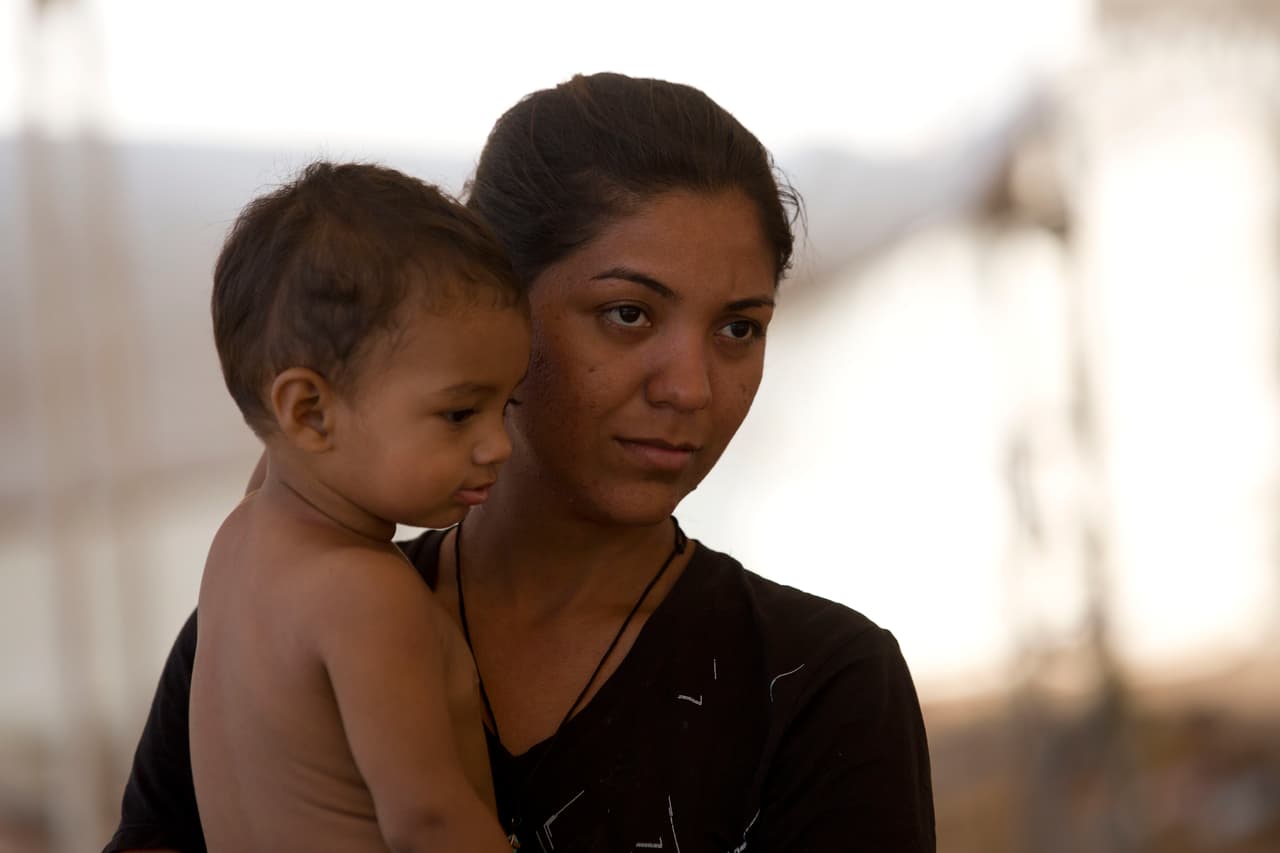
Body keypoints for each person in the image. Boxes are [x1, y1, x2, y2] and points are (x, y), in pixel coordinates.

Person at [105, 72, 935, 853]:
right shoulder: (284, 627)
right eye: (627, 313)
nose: (691, 387)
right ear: (493, 294)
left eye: (739, 328)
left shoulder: (818, 686)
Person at [187, 162, 526, 852]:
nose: (499, 445)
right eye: (460, 412)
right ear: (309, 411)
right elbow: (426, 820)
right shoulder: (367, 593)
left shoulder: (239, 538)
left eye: (506, 403)